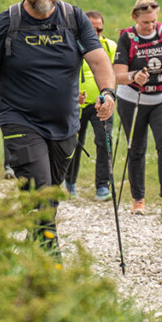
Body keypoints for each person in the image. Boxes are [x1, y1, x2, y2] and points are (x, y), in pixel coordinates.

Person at [0, 0, 115, 256]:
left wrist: (108, 93)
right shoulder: (5, 23)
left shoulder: (74, 19)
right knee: (40, 192)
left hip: (65, 124)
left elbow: (99, 60)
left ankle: (35, 252)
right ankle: (51, 263)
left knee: (48, 197)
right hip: (20, 120)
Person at [113, 0, 162, 217]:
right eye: (146, 22)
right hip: (133, 98)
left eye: (153, 21)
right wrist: (134, 76)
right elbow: (117, 75)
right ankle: (138, 201)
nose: (151, 26)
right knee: (136, 148)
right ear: (135, 18)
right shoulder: (127, 38)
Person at [65, 10, 117, 201]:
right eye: (91, 28)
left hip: (100, 103)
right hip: (75, 104)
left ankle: (102, 187)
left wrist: (110, 94)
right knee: (73, 143)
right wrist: (71, 93)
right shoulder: (70, 44)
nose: (95, 33)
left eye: (99, 29)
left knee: (104, 141)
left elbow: (114, 73)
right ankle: (69, 183)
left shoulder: (109, 46)